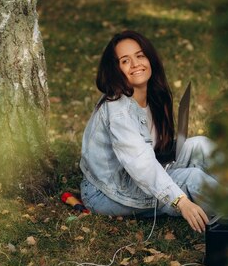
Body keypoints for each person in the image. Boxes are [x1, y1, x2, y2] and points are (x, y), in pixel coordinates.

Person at [79, 30, 220, 233]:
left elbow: (151, 153)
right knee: (191, 179)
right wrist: (180, 200)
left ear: (149, 58)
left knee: (200, 145)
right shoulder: (119, 112)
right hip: (107, 191)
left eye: (140, 55)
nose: (136, 64)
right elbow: (141, 164)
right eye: (125, 61)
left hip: (139, 172)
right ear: (115, 69)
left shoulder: (151, 94)